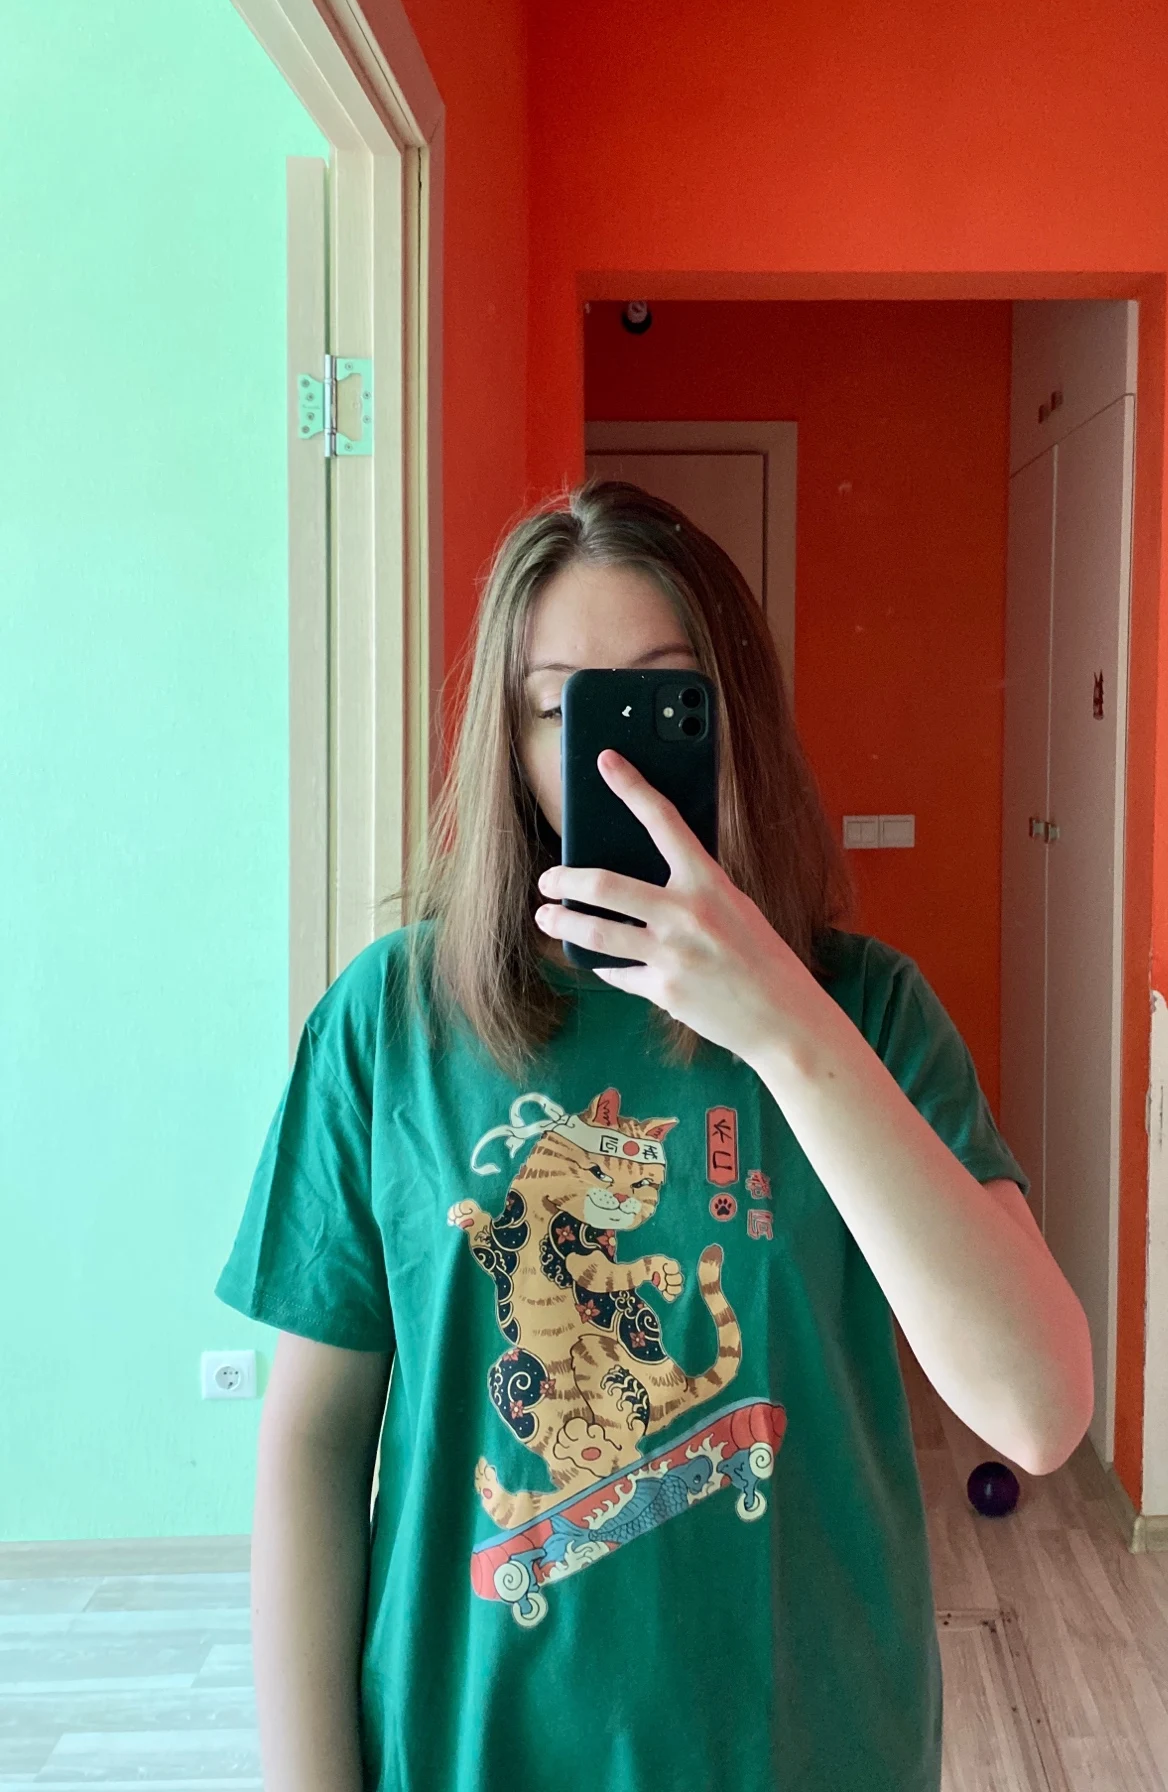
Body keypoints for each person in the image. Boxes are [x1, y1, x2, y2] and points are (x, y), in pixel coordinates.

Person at [215, 477, 1093, 1792]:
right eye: (559, 707)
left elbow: (1038, 1411)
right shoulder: (389, 1022)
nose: (610, 758)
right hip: (467, 1749)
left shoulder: (867, 1013)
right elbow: (313, 1445)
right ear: (509, 743)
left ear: (733, 718)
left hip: (807, 1751)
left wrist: (783, 1028)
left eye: (662, 699)